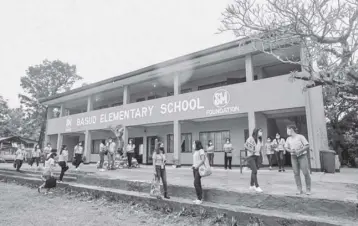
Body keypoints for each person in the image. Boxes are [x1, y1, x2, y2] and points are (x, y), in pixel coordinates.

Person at [284, 125, 311, 195]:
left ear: (291, 129)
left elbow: (307, 145)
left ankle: (308, 189)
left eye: (287, 130)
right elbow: (286, 148)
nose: (287, 131)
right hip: (293, 157)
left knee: (305, 172)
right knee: (296, 173)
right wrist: (290, 151)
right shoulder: (288, 139)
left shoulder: (300, 137)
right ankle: (299, 189)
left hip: (302, 156)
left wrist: (300, 151)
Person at [245, 128, 264, 193]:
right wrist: (251, 150)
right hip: (251, 156)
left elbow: (261, 149)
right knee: (255, 171)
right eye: (260, 131)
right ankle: (257, 186)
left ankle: (251, 185)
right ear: (256, 132)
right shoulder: (251, 138)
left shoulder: (260, 139)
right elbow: (245, 145)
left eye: (262, 131)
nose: (261, 133)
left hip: (257, 156)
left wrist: (262, 157)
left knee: (254, 171)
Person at [192, 140, 205, 205]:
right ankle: (199, 198)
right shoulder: (196, 151)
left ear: (197, 144)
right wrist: (193, 165)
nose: (193, 145)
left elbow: (203, 160)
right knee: (198, 183)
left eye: (194, 143)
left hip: (199, 169)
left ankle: (199, 199)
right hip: (195, 168)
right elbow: (196, 160)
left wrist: (197, 166)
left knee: (195, 183)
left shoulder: (201, 150)